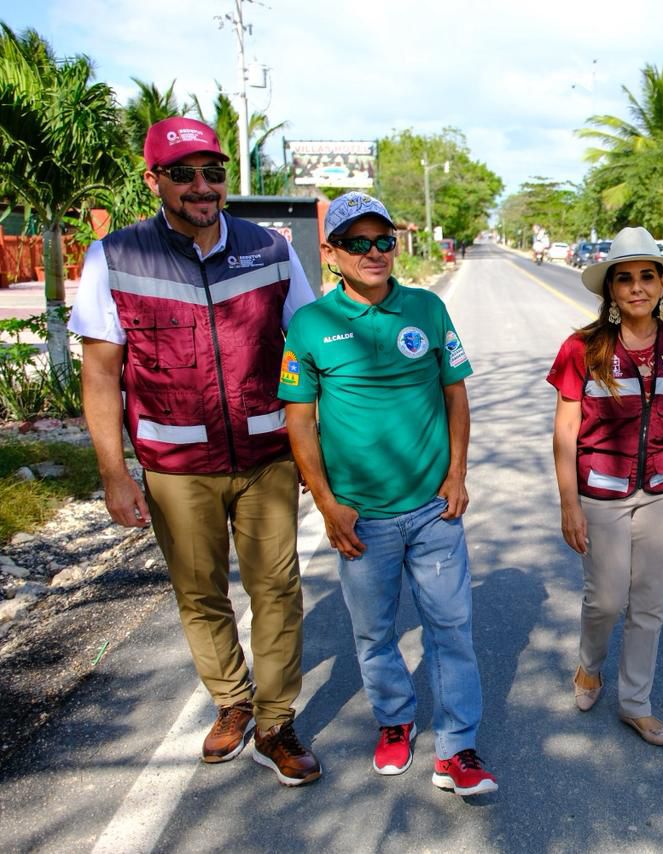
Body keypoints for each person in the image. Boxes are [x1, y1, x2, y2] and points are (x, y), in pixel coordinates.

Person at [70, 117, 321, 785]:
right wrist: (114, 473)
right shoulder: (114, 257)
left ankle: (275, 722)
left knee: (277, 589)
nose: (202, 186)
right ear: (154, 179)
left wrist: (314, 447)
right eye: (183, 174)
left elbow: (308, 350)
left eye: (213, 172)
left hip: (267, 455)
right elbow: (100, 373)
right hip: (174, 465)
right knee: (199, 590)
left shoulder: (270, 249)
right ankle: (232, 701)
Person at [278, 192, 497, 793]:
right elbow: (300, 420)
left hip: (433, 510)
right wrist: (328, 504)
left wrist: (457, 474)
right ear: (331, 254)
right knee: (374, 634)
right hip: (360, 518)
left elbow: (455, 393)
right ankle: (395, 721)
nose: (374, 252)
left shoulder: (426, 308)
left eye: (383, 241)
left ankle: (458, 748)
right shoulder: (311, 325)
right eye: (358, 243)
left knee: (451, 630)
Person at [548, 226, 663, 747]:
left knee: (648, 601)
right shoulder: (582, 348)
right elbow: (565, 432)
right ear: (611, 290)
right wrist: (569, 504)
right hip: (601, 493)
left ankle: (635, 703)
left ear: (662, 284)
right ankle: (589, 665)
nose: (637, 287)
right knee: (606, 598)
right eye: (625, 279)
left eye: (647, 276)